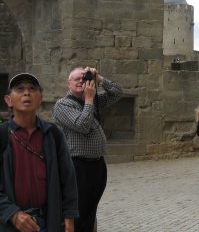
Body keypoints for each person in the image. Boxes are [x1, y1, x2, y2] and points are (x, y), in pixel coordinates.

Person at [1, 73, 78, 232]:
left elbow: (68, 178)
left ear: (40, 97)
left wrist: (69, 216)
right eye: (20, 89)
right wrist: (12, 213)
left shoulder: (53, 134)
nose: (27, 93)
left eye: (32, 89)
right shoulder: (1, 135)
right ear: (8, 100)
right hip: (9, 223)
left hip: (46, 221)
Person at [52, 67, 122, 232]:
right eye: (76, 79)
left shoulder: (91, 100)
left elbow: (117, 93)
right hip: (78, 166)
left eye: (84, 79)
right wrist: (89, 99)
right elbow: (82, 125)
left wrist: (100, 78)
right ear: (68, 83)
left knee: (91, 208)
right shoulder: (63, 104)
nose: (81, 82)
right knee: (79, 210)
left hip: (97, 165)